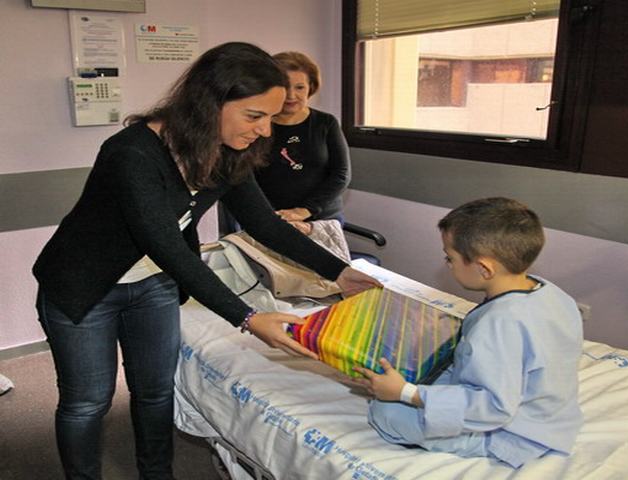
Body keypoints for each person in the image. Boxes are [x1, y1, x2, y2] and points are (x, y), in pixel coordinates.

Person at [32, 42, 378, 480]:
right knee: (88, 401)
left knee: (156, 392)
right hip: (84, 286)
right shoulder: (131, 153)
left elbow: (264, 225)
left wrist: (340, 273)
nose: (267, 131)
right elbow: (167, 245)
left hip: (154, 285)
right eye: (255, 116)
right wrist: (248, 318)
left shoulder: (227, 150)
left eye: (271, 117)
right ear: (210, 102)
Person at [354, 197, 583, 468]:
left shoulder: (499, 324)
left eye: (449, 257)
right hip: (548, 413)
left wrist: (406, 394)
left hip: (513, 432)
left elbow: (494, 407)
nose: (447, 264)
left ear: (484, 268)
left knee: (387, 413)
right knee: (424, 371)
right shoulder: (550, 292)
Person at [253, 51, 351, 236]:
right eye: (284, 87)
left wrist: (304, 211)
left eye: (299, 87)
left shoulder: (326, 123)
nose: (291, 95)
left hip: (321, 220)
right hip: (272, 219)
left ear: (310, 88)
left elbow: (341, 174)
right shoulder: (256, 125)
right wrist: (270, 216)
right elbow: (246, 177)